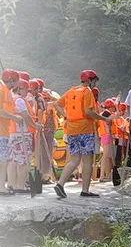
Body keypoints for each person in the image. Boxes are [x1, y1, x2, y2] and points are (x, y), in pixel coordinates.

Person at [53, 70, 112, 198]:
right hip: (85, 130)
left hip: (72, 130)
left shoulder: (71, 91)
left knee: (74, 160)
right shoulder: (87, 92)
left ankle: (60, 184)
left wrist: (65, 115)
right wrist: (104, 119)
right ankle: (85, 190)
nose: (95, 84)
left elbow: (56, 104)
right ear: (89, 80)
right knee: (87, 161)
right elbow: (88, 112)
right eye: (94, 81)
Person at [7, 79, 41, 192]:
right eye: (26, 89)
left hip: (12, 133)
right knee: (23, 160)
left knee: (13, 160)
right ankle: (20, 186)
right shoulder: (20, 101)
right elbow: (25, 116)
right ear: (20, 89)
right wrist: (35, 126)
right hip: (22, 134)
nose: (28, 92)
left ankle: (12, 184)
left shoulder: (11, 98)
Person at [0, 70, 23, 196]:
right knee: (3, 161)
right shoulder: (1, 89)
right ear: (11, 80)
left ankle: (2, 186)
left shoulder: (5, 89)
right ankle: (1, 187)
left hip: (4, 130)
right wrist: (15, 118)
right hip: (1, 131)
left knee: (4, 160)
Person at [98, 98, 116, 182]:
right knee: (105, 157)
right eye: (113, 107)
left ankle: (103, 176)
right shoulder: (106, 113)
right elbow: (117, 115)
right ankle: (101, 176)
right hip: (106, 135)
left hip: (103, 135)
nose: (114, 108)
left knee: (105, 156)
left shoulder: (102, 113)